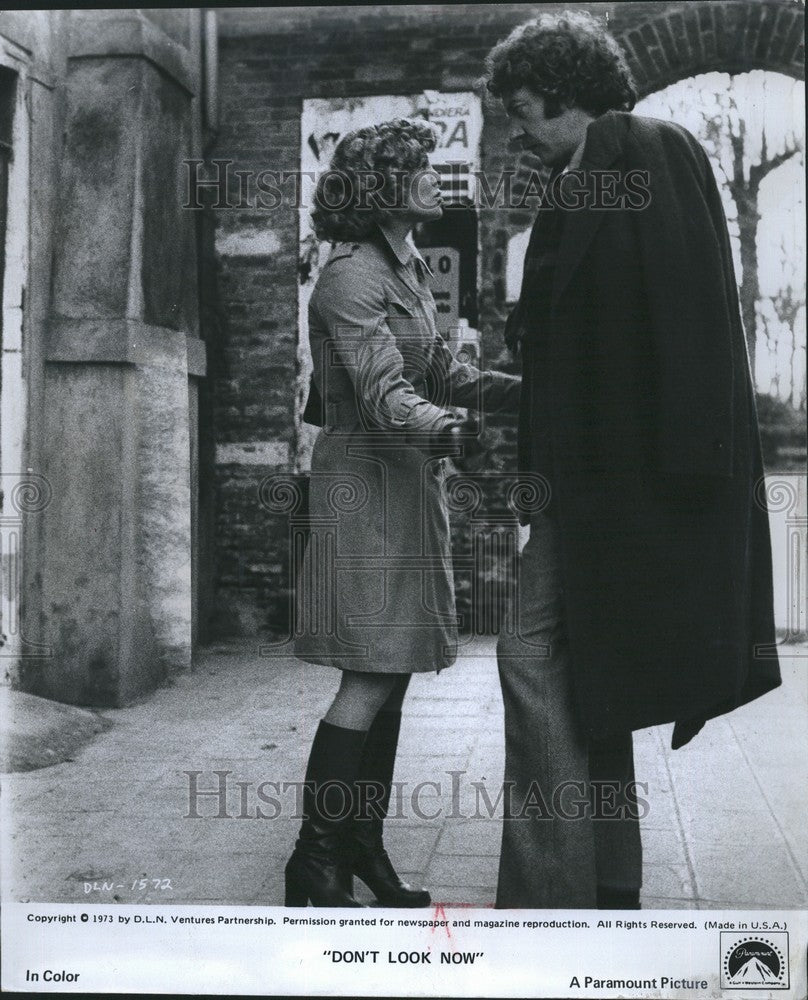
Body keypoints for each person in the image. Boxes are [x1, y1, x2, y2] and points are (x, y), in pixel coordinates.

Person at [484, 10, 782, 909]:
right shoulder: (579, 177)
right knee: (589, 674)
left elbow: (693, 316)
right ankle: (605, 882)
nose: (517, 132)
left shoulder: (649, 150)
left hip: (632, 485)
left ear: (569, 97)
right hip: (587, 486)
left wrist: (690, 492)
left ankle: (545, 902)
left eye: (526, 109)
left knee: (528, 659)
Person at [286, 118, 521, 907]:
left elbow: (443, 369)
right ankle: (313, 859)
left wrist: (534, 387)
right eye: (420, 168)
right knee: (369, 672)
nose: (435, 179)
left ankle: (361, 847)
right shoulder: (350, 277)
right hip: (364, 488)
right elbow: (387, 396)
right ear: (385, 186)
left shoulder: (407, 266)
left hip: (404, 487)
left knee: (391, 676)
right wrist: (454, 426)